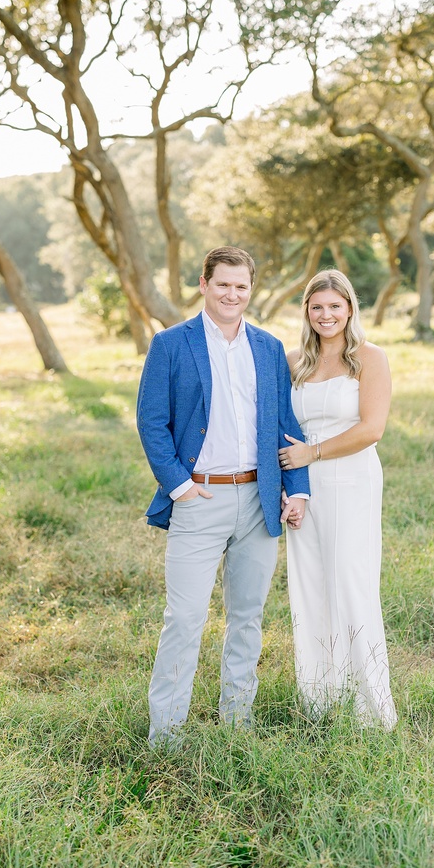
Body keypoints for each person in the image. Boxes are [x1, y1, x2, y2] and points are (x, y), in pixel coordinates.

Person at [137, 246, 310, 745]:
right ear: (204, 284)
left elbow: (283, 423)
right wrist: (181, 487)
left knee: (247, 617)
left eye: (241, 286)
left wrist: (296, 490)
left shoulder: (268, 348)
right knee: (185, 618)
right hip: (200, 500)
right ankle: (165, 735)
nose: (232, 294)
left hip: (259, 499)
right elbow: (152, 422)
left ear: (250, 289)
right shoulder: (171, 344)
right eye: (223, 284)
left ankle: (238, 720)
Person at [278, 269, 397, 730]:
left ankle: (371, 711)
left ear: (350, 308)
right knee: (309, 587)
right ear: (306, 312)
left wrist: (315, 451)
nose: (326, 315)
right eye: (316, 307)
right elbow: (282, 427)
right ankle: (322, 701)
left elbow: (372, 429)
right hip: (305, 487)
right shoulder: (295, 361)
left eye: (334, 306)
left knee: (350, 583)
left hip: (351, 480)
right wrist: (295, 487)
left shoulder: (369, 358)